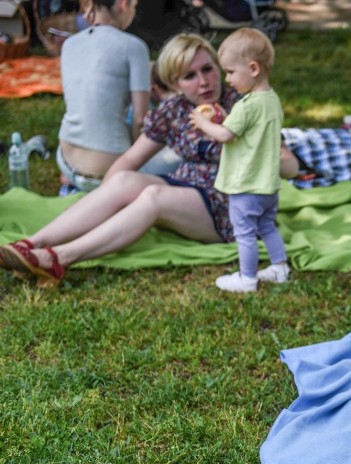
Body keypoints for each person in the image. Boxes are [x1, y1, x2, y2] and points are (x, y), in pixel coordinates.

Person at [0, 33, 300, 288]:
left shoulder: (243, 103)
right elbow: (129, 160)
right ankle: (30, 245)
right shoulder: (175, 110)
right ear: (175, 82)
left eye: (208, 69)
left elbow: (290, 165)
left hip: (228, 203)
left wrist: (265, 156)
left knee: (153, 196)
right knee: (125, 179)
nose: (204, 82)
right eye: (190, 76)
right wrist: (108, 196)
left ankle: (58, 259)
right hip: (185, 189)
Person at [190, 28, 290, 293]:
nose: (227, 79)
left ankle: (247, 279)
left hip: (245, 183)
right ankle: (280, 268)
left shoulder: (246, 105)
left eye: (231, 72)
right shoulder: (272, 100)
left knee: (244, 233)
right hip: (268, 184)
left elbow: (224, 134)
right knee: (267, 225)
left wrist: (202, 122)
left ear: (253, 68)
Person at [56, 0, 150, 194]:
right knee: (171, 156)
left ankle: (71, 183)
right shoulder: (134, 47)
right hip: (107, 173)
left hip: (66, 159)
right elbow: (141, 119)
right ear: (123, 4)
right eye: (134, 6)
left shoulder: (69, 44)